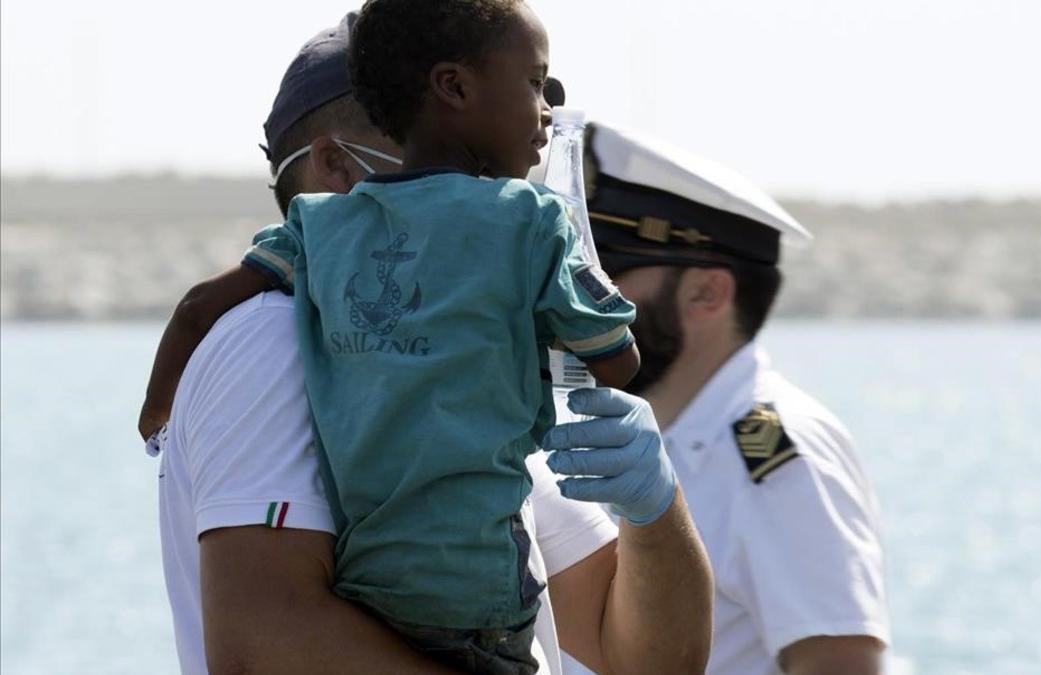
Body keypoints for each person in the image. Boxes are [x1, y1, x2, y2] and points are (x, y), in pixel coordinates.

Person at [153, 11, 713, 675]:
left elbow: (648, 660)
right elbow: (265, 642)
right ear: (336, 167)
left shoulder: (464, 358)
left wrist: (653, 509)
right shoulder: (271, 337)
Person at [558, 123, 891, 675]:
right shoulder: (665, 437)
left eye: (606, 279)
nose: (583, 304)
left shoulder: (778, 454)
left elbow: (842, 664)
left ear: (708, 293)